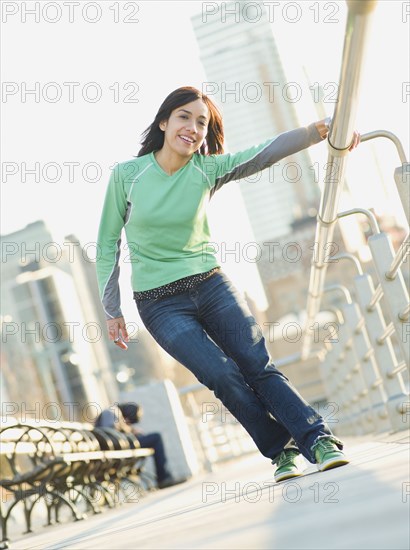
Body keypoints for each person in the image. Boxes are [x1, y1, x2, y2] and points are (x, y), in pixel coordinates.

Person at [96, 86, 360, 483]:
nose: (194, 127)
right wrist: (112, 309)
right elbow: (106, 242)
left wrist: (318, 129)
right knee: (221, 375)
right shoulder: (128, 176)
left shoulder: (207, 169)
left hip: (211, 285)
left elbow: (263, 153)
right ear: (164, 122)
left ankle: (319, 440)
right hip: (159, 304)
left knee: (257, 365)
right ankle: (281, 451)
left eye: (202, 122)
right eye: (184, 117)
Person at [94, 402, 183, 489]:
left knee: (148, 438)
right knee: (156, 437)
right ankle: (164, 478)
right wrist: (129, 431)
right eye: (129, 421)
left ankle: (164, 477)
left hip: (121, 446)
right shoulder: (111, 412)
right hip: (121, 448)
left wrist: (131, 430)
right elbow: (110, 435)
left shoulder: (113, 412)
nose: (128, 423)